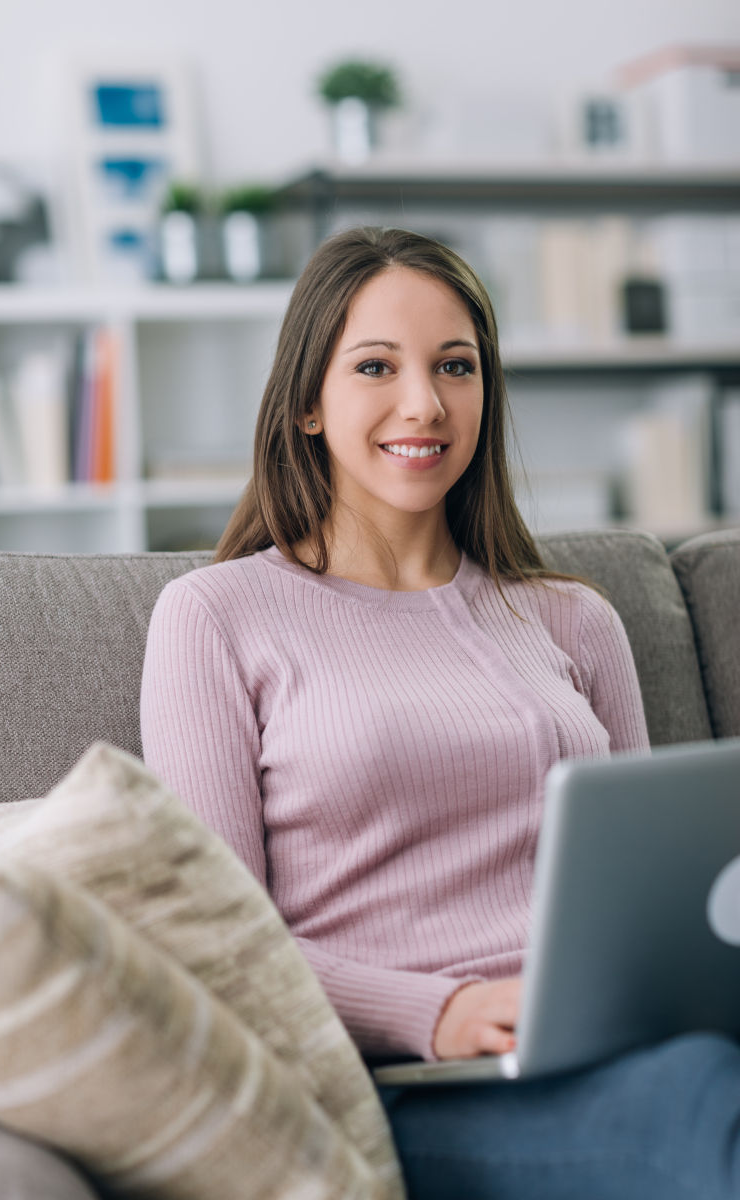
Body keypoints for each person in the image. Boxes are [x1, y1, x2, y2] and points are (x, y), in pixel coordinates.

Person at [140, 226, 740, 1199]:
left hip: (614, 1041)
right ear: (304, 403)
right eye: (374, 365)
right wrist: (441, 1011)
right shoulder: (214, 619)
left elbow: (656, 894)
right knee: (700, 1099)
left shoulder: (574, 618)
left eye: (454, 367)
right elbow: (216, 942)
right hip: (407, 1083)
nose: (422, 402)